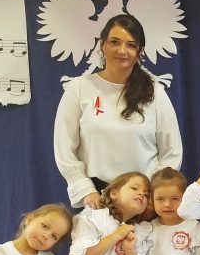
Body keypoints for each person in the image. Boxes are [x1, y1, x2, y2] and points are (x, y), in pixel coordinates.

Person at [53, 13, 183, 210]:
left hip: (144, 203)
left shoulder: (154, 92)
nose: (122, 50)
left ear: (139, 51)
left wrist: (153, 193)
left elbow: (171, 151)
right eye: (115, 42)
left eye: (131, 45)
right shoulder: (79, 88)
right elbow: (65, 148)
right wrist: (86, 190)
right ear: (102, 45)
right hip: (97, 200)